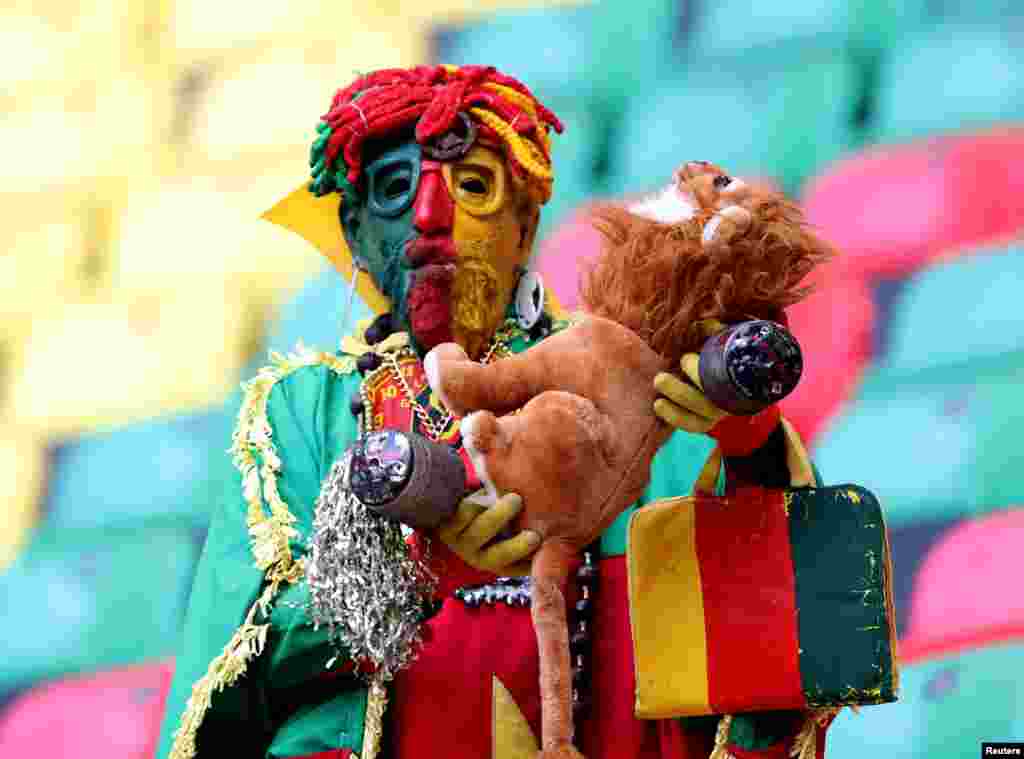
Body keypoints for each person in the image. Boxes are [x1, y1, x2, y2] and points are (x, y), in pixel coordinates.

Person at [156, 64, 833, 759]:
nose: (430, 219)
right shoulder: (304, 410)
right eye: (395, 192)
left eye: (472, 186)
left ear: (526, 222)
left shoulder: (619, 375)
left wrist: (744, 438)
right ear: (355, 232)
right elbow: (237, 673)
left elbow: (786, 634)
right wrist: (415, 568)